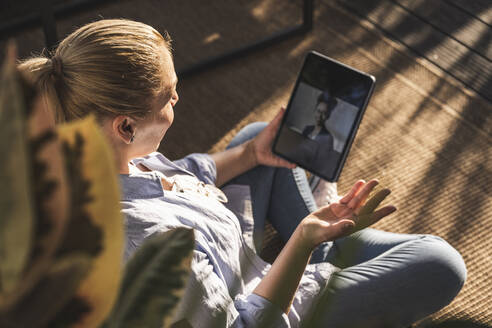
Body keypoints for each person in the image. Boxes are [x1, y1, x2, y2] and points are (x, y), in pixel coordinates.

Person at [19, 19, 467, 328]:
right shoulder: (148, 248)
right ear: (126, 125)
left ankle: (331, 237)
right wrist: (304, 240)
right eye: (170, 97)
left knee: (261, 139)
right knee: (439, 262)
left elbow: (186, 173)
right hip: (259, 300)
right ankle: (330, 247)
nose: (178, 102)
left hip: (227, 248)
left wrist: (253, 152)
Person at [302, 91, 340, 178]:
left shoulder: (328, 138)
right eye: (319, 111)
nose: (320, 116)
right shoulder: (307, 129)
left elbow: (321, 165)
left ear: (328, 116)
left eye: (324, 113)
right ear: (315, 111)